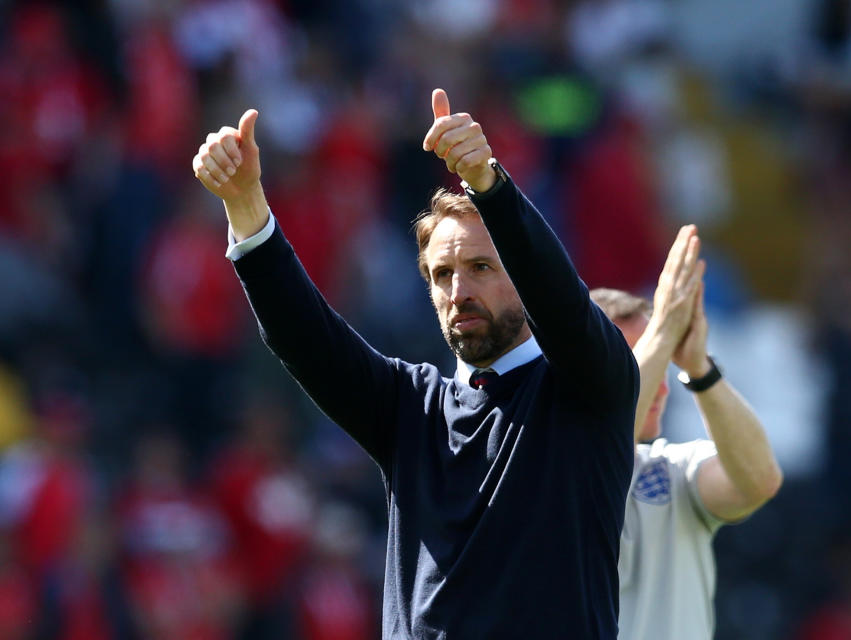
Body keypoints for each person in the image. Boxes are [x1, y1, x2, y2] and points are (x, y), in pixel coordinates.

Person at [192, 89, 640, 639]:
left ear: (521, 272)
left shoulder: (589, 388)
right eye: (443, 274)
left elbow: (564, 309)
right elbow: (306, 338)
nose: (460, 290)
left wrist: (490, 186)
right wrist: (245, 208)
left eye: (481, 267)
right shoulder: (411, 407)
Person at [590, 228, 783, 640]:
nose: (663, 385)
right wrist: (661, 332)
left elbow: (760, 480)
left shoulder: (673, 466)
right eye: (646, 364)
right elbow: (599, 444)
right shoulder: (538, 467)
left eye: (662, 365)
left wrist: (699, 369)